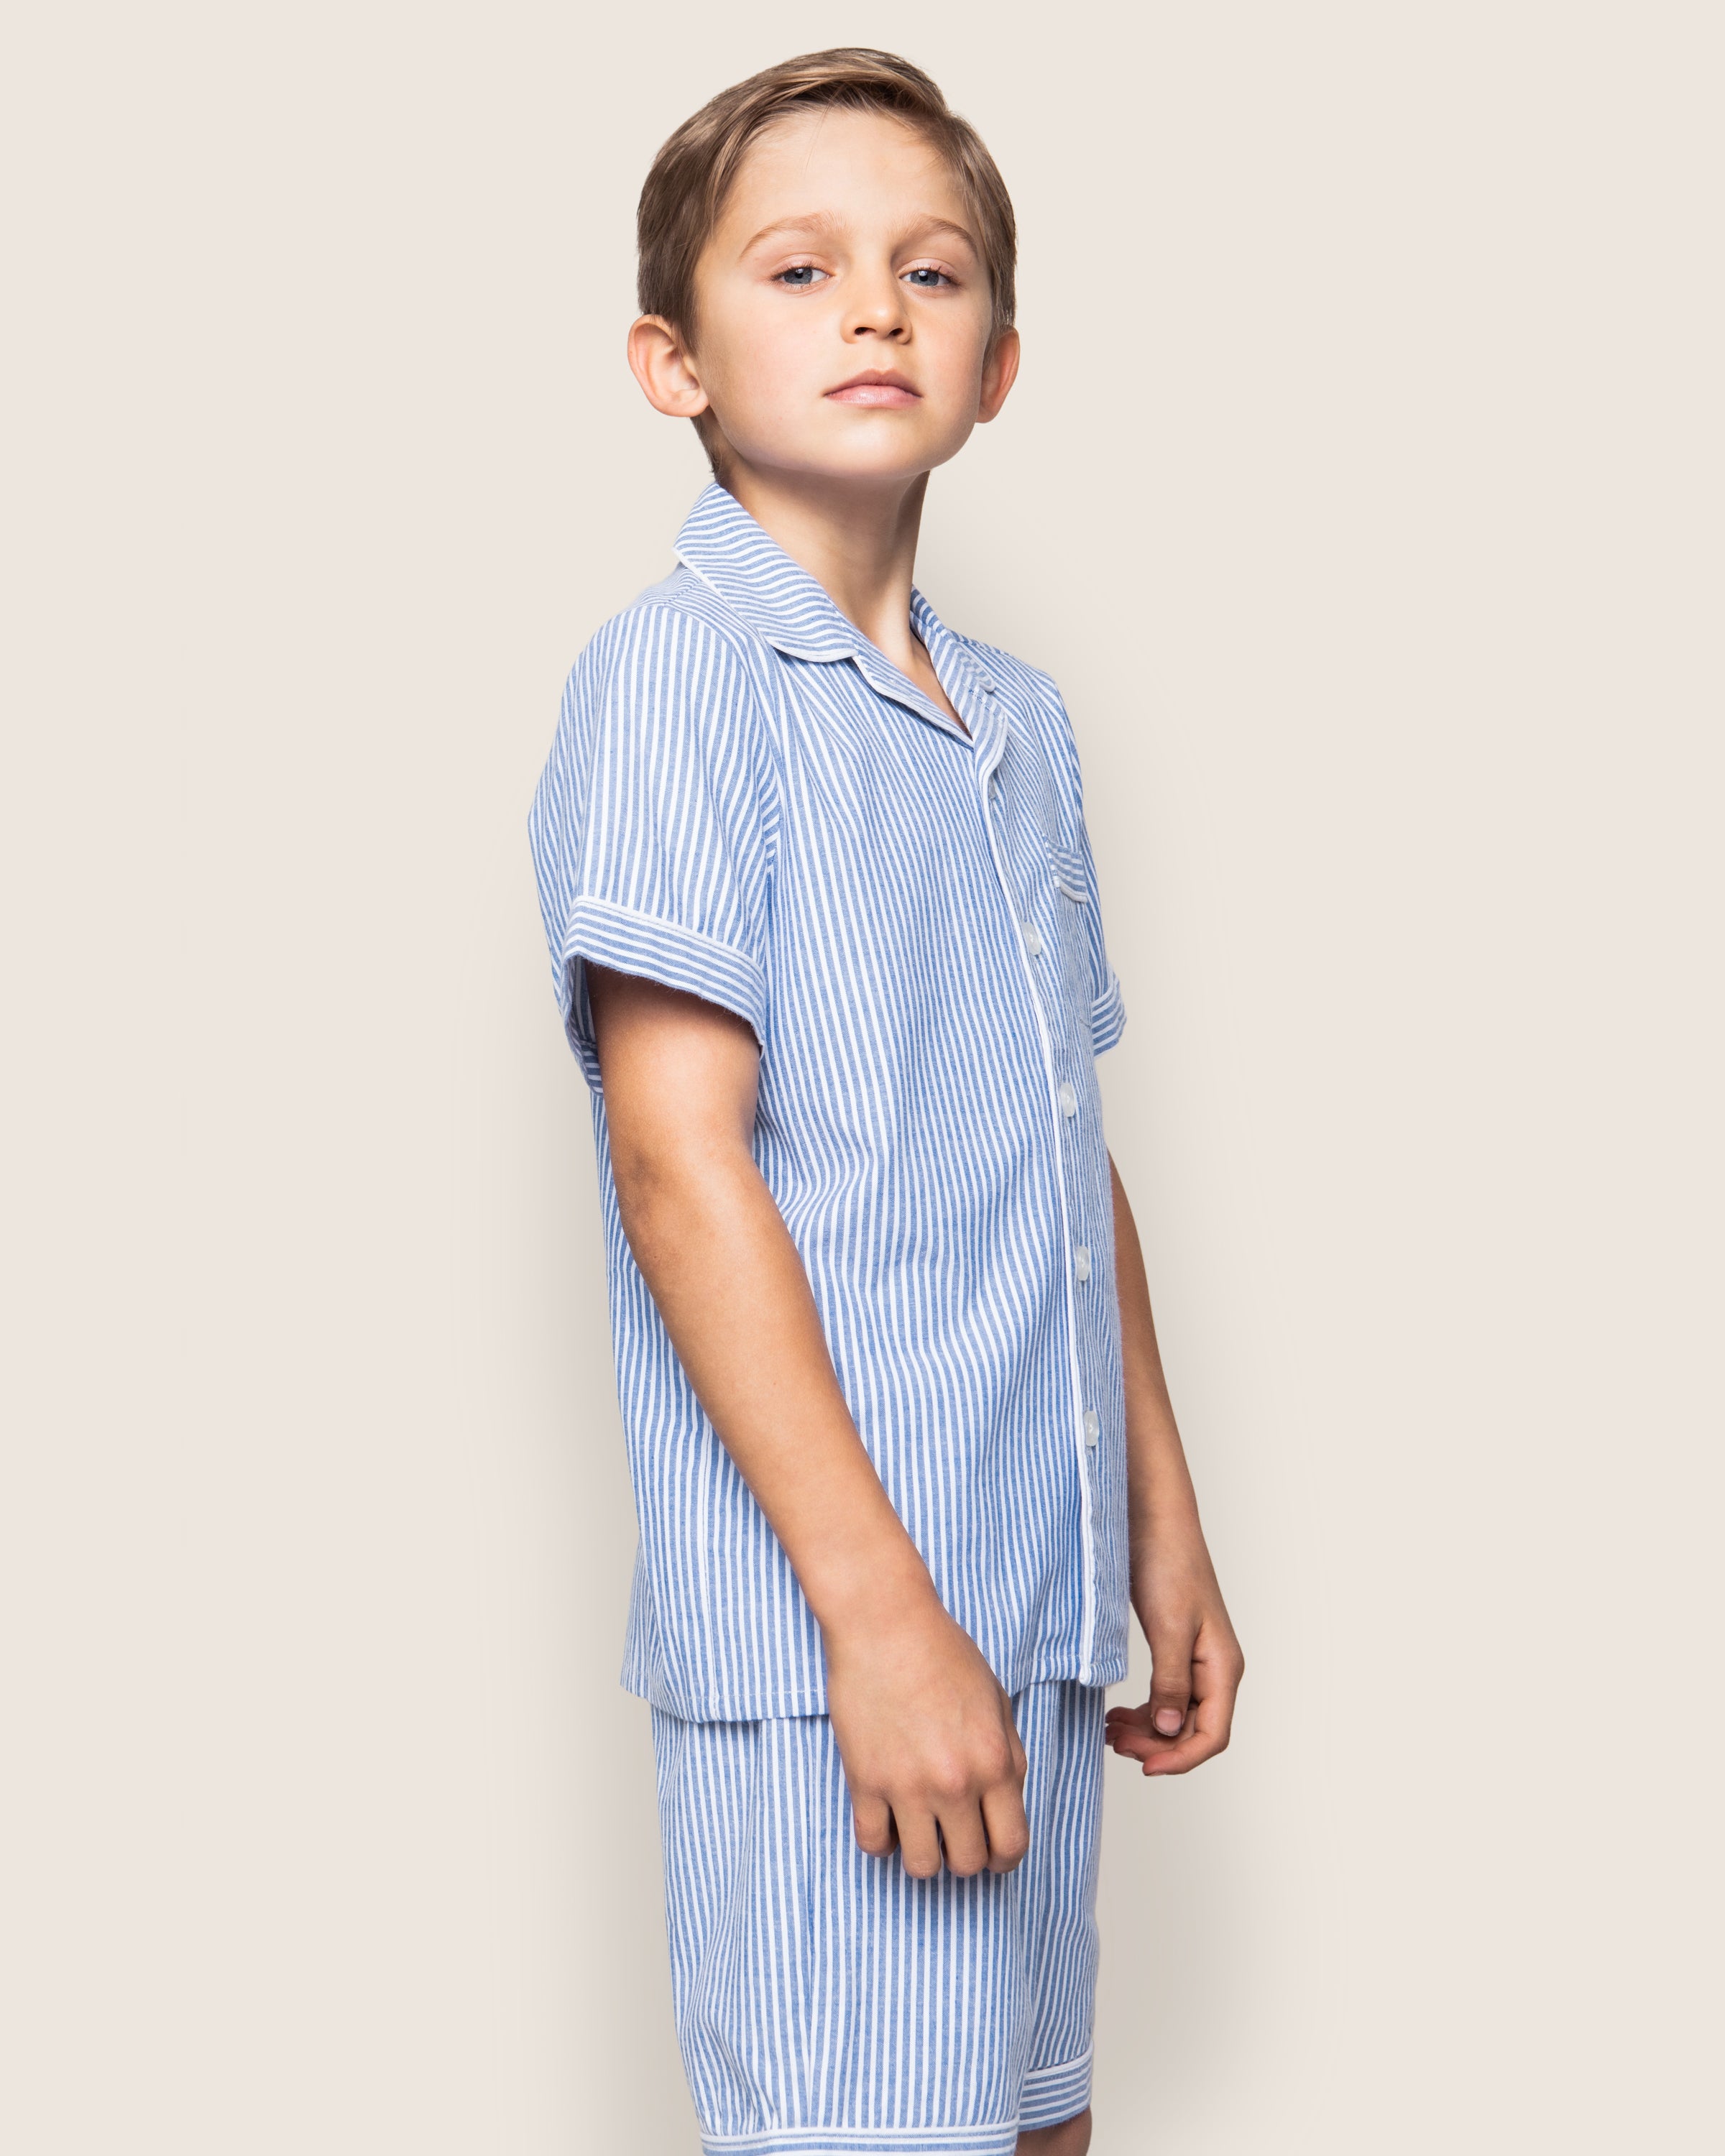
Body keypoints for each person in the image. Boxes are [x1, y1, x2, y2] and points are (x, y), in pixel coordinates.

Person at [529, 48, 1243, 2156]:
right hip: (843, 1637)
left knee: (1027, 2132)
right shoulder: (674, 679)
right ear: (671, 359)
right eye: (801, 266)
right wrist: (881, 1616)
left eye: (929, 273)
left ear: (998, 366)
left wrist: (1161, 1535)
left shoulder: (1014, 724)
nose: (872, 311)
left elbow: (1055, 1138)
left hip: (1023, 1603)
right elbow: (680, 1163)